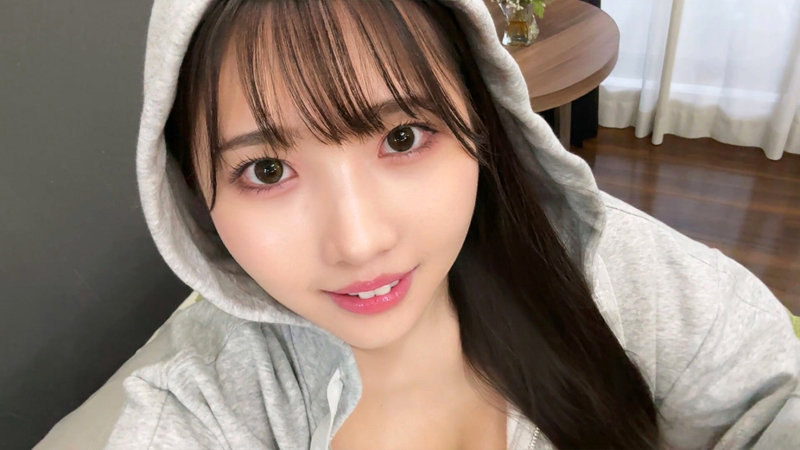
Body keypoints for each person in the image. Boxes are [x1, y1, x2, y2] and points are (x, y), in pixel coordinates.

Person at [106, 0, 800, 448]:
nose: (360, 242)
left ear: (480, 119)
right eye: (265, 170)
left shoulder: (620, 270)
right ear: (193, 192)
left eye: (403, 137)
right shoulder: (202, 408)